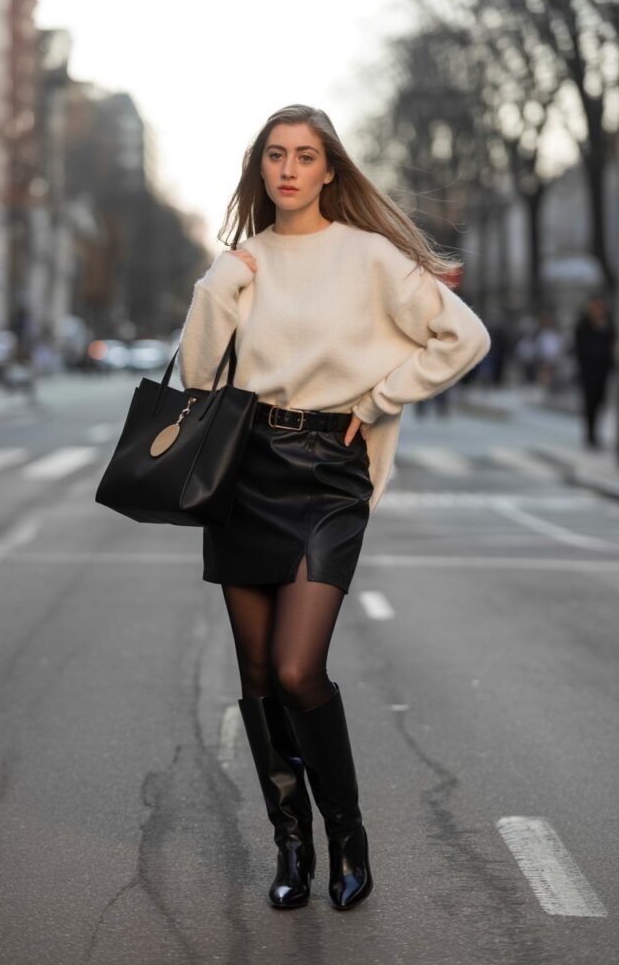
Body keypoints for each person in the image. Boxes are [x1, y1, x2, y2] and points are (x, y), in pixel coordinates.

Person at [178, 104, 491, 912]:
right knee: (254, 675)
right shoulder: (242, 265)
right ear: (261, 170)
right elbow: (199, 380)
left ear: (329, 170)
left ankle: (347, 833)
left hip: (327, 475)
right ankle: (293, 845)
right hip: (245, 473)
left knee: (295, 668)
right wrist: (220, 285)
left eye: (305, 156)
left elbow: (464, 337)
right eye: (275, 156)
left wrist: (384, 395)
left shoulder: (372, 256)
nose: (288, 169)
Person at [573, 294, 616, 449]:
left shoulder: (607, 324)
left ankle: (596, 433)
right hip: (588, 371)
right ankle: (590, 435)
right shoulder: (583, 325)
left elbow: (610, 343)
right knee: (589, 403)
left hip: (603, 370)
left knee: (601, 403)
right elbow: (579, 347)